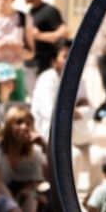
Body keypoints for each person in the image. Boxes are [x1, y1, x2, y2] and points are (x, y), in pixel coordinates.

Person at [32, 39, 94, 188]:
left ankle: (93, 203)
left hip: (78, 137)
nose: (70, 60)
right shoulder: (47, 80)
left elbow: (90, 110)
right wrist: (76, 109)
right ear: (54, 61)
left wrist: (70, 111)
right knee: (73, 157)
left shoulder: (80, 80)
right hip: (52, 138)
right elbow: (51, 113)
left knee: (98, 158)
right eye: (65, 56)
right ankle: (69, 203)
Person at [21, 0, 67, 93]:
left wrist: (39, 35)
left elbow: (63, 32)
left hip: (43, 64)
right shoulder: (31, 12)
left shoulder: (49, 11)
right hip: (29, 63)